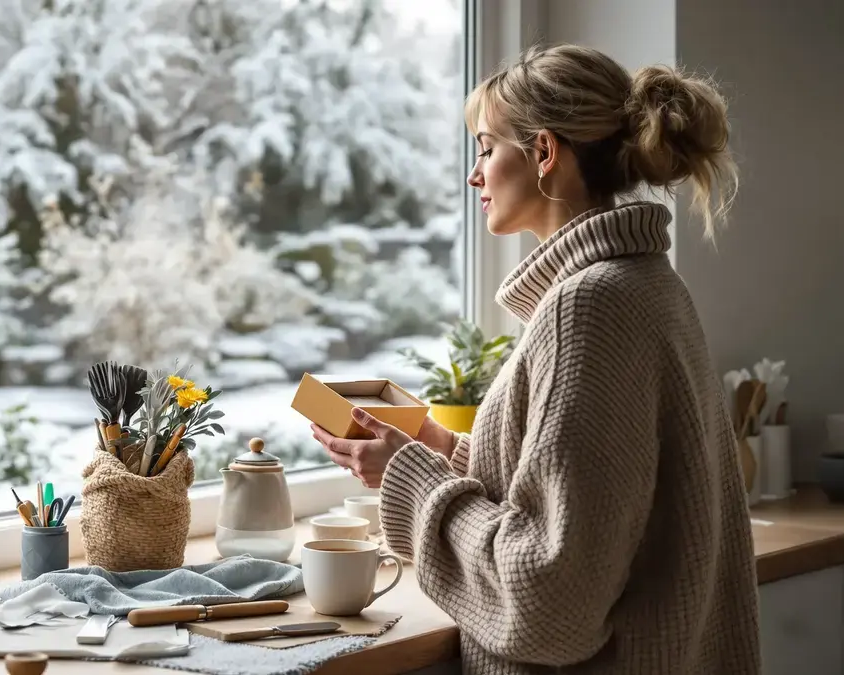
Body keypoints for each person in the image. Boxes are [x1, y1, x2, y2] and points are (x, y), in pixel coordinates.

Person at [310, 44, 760, 674]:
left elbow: (549, 601)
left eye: (486, 148)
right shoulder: (647, 283)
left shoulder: (589, 306)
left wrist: (409, 480)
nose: (475, 176)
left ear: (544, 152)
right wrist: (442, 448)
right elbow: (595, 497)